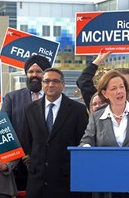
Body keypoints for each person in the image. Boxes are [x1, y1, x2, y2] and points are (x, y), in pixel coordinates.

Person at [79, 69, 129, 198]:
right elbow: (85, 141)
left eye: (122, 87)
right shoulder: (96, 117)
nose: (119, 91)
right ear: (105, 93)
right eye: (114, 88)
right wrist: (88, 151)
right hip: (106, 185)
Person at [21, 68, 90, 198]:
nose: (50, 84)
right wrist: (32, 164)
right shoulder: (30, 109)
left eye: (55, 81)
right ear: (42, 84)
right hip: (37, 182)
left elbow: (82, 143)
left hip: (66, 181)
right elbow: (26, 141)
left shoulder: (78, 110)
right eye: (46, 81)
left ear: (63, 85)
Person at [0, 55, 51, 191]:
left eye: (39, 71)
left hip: (47, 165)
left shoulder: (54, 99)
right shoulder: (12, 98)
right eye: (30, 72)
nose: (34, 75)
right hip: (19, 166)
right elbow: (3, 129)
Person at [77, 49, 129, 129]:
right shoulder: (101, 104)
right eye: (114, 87)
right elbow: (83, 81)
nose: (119, 91)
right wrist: (98, 60)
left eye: (123, 85)